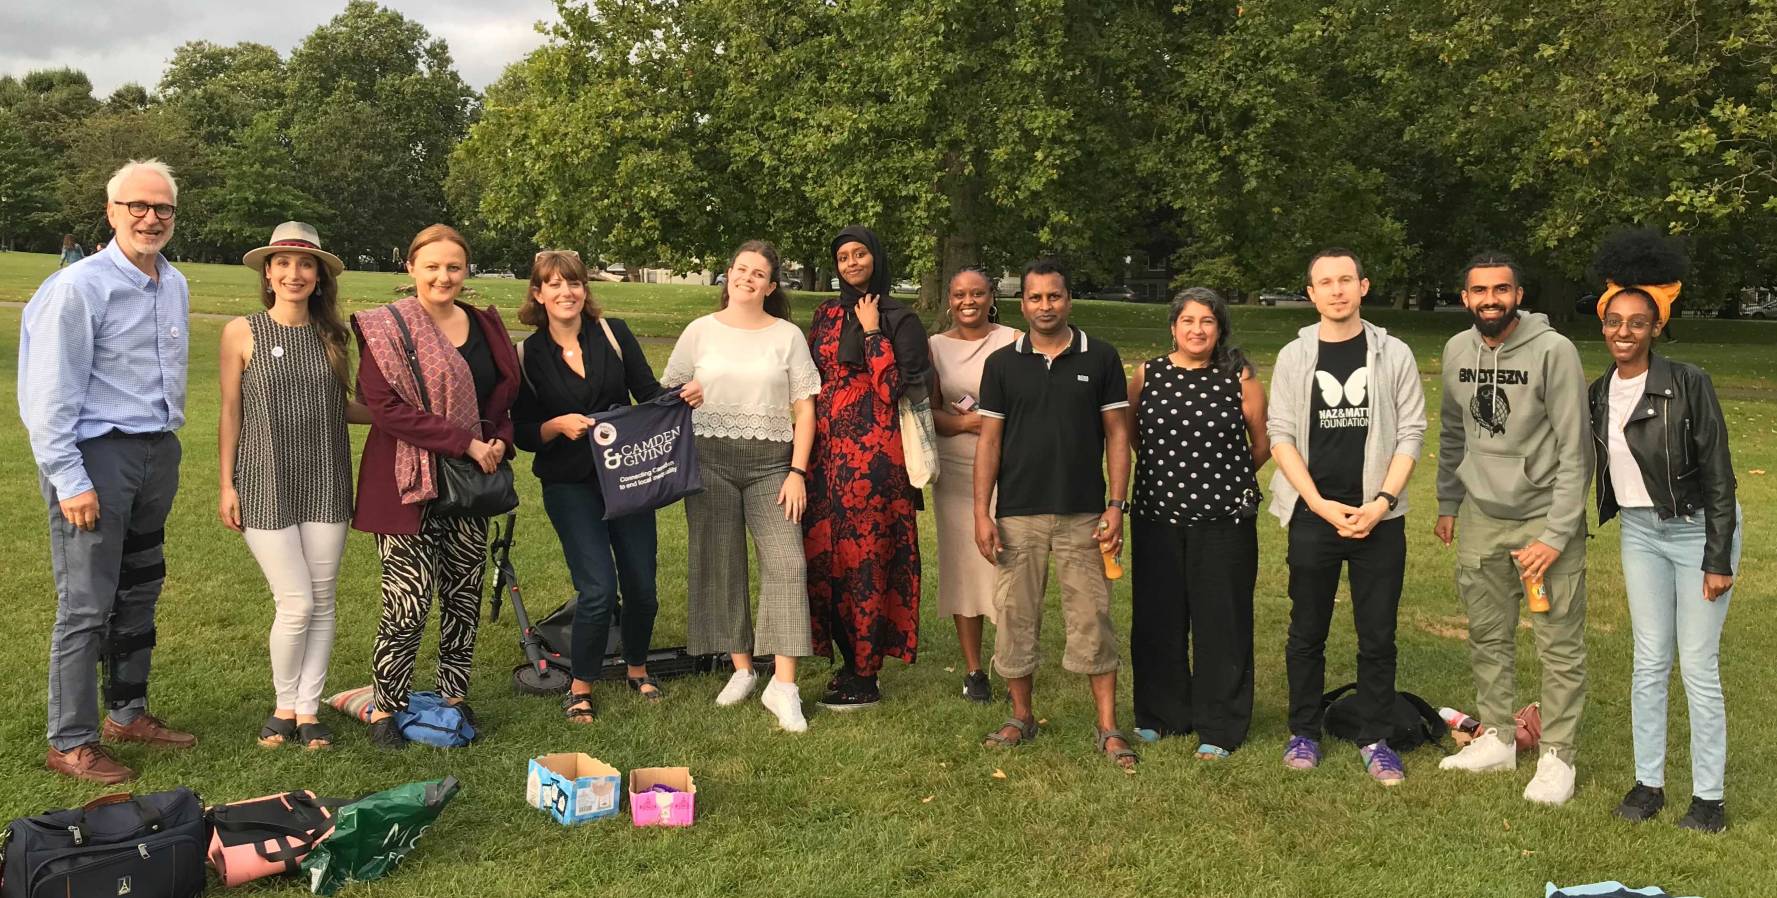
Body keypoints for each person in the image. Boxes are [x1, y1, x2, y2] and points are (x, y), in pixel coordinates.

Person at [20, 159, 193, 784]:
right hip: (98, 457)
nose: (151, 218)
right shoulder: (79, 287)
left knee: (141, 588)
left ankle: (127, 710)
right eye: (138, 207)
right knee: (87, 601)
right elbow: (47, 396)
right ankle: (71, 739)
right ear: (111, 211)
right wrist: (71, 479)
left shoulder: (173, 283)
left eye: (163, 208)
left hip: (156, 452)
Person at [1587, 231, 1740, 833]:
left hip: (1697, 530)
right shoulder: (1600, 392)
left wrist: (1718, 555)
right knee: (1648, 660)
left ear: (1656, 328)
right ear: (1603, 324)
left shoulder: (1688, 382)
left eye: (1638, 323)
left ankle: (1709, 798)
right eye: (1614, 321)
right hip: (1640, 533)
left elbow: (1721, 476)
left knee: (1698, 664)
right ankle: (1648, 783)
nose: (1624, 332)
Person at [351, 224, 519, 750]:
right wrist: (466, 444)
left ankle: (452, 694)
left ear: (466, 271)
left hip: (470, 487)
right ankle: (386, 706)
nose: (443, 276)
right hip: (406, 483)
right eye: (432, 266)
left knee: (463, 594)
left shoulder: (484, 324)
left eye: (454, 267)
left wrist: (496, 443)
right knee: (408, 600)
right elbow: (387, 408)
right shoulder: (387, 327)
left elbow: (502, 398)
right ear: (411, 268)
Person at [1435, 251, 1593, 805]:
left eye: (1501, 290)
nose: (1490, 300)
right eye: (1480, 291)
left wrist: (1553, 537)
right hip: (1481, 516)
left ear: (1518, 295)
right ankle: (1499, 738)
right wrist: (1449, 501)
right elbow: (1453, 434)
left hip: (1541, 523)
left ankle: (1557, 756)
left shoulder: (1554, 351)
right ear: (1465, 298)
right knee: (1487, 633)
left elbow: (1577, 452)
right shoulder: (1458, 350)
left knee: (1557, 641)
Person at [1266, 250, 1426, 785]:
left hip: (1379, 517)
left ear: (1363, 286)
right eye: (1324, 283)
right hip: (1315, 515)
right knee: (1306, 630)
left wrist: (1381, 503)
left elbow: (1411, 434)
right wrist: (1316, 503)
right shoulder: (1295, 356)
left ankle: (1376, 737)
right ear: (1311, 294)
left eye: (1345, 281)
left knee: (1377, 635)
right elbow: (1280, 435)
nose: (1336, 290)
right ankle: (1304, 732)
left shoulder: (1394, 353)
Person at [974, 258, 1138, 769]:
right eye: (1035, 298)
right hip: (1018, 514)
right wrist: (982, 512)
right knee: (1015, 617)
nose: (1045, 306)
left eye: (1055, 296)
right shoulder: (1002, 364)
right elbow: (990, 441)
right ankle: (1021, 716)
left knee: (1092, 617)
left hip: (1084, 514)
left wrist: (1115, 505)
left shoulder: (1102, 357)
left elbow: (1117, 435)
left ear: (1068, 299)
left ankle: (1108, 727)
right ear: (1021, 304)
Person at [218, 221, 369, 750]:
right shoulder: (242, 332)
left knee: (323, 600)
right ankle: (285, 702)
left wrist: (403, 413)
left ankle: (308, 711)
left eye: (305, 264)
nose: (294, 273)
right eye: (282, 263)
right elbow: (231, 412)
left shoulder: (334, 337)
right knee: (296, 602)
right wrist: (226, 483)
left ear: (320, 276)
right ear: (267, 273)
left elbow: (342, 406)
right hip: (264, 480)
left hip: (326, 478)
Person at [663, 240, 820, 732]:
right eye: (741, 270)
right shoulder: (699, 332)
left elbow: (806, 408)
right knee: (720, 560)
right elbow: (668, 395)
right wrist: (681, 396)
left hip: (773, 464)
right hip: (708, 459)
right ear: (728, 275)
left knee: (787, 561)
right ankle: (743, 669)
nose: (747, 278)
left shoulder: (788, 336)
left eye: (759, 274)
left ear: (771, 286)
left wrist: (797, 472)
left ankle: (784, 686)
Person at [511, 250, 665, 724]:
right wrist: (555, 425)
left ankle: (637, 667)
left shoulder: (613, 334)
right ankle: (581, 685)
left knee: (641, 586)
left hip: (627, 476)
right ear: (538, 294)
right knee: (598, 589)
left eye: (573, 282)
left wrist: (682, 398)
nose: (566, 292)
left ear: (585, 289)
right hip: (570, 485)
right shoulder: (528, 353)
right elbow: (522, 432)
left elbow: (650, 394)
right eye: (553, 284)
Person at [1127, 287, 1271, 759]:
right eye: (1188, 320)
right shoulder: (1148, 374)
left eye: (1207, 321)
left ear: (1219, 328)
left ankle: (1220, 724)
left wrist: (1226, 479)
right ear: (1173, 326)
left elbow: (1263, 442)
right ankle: (1162, 714)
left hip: (1224, 522)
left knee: (1221, 623)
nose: (1197, 329)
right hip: (1157, 517)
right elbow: (1130, 433)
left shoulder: (1240, 378)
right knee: (1157, 619)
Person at [803, 225, 931, 709]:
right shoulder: (825, 314)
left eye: (860, 254)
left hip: (876, 460)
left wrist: (874, 331)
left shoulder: (901, 317)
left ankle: (867, 671)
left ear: (876, 258)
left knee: (868, 561)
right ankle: (845, 658)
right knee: (827, 559)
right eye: (843, 257)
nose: (852, 263)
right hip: (824, 457)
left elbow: (897, 388)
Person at [928, 266, 1019, 703]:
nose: (969, 301)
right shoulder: (933, 348)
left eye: (978, 293)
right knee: (965, 568)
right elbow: (929, 415)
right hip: (956, 471)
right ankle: (974, 670)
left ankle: (1013, 659)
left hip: (1011, 467)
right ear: (950, 297)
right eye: (960, 293)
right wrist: (971, 422)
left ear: (990, 296)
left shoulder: (1014, 341)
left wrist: (996, 427)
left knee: (1008, 562)